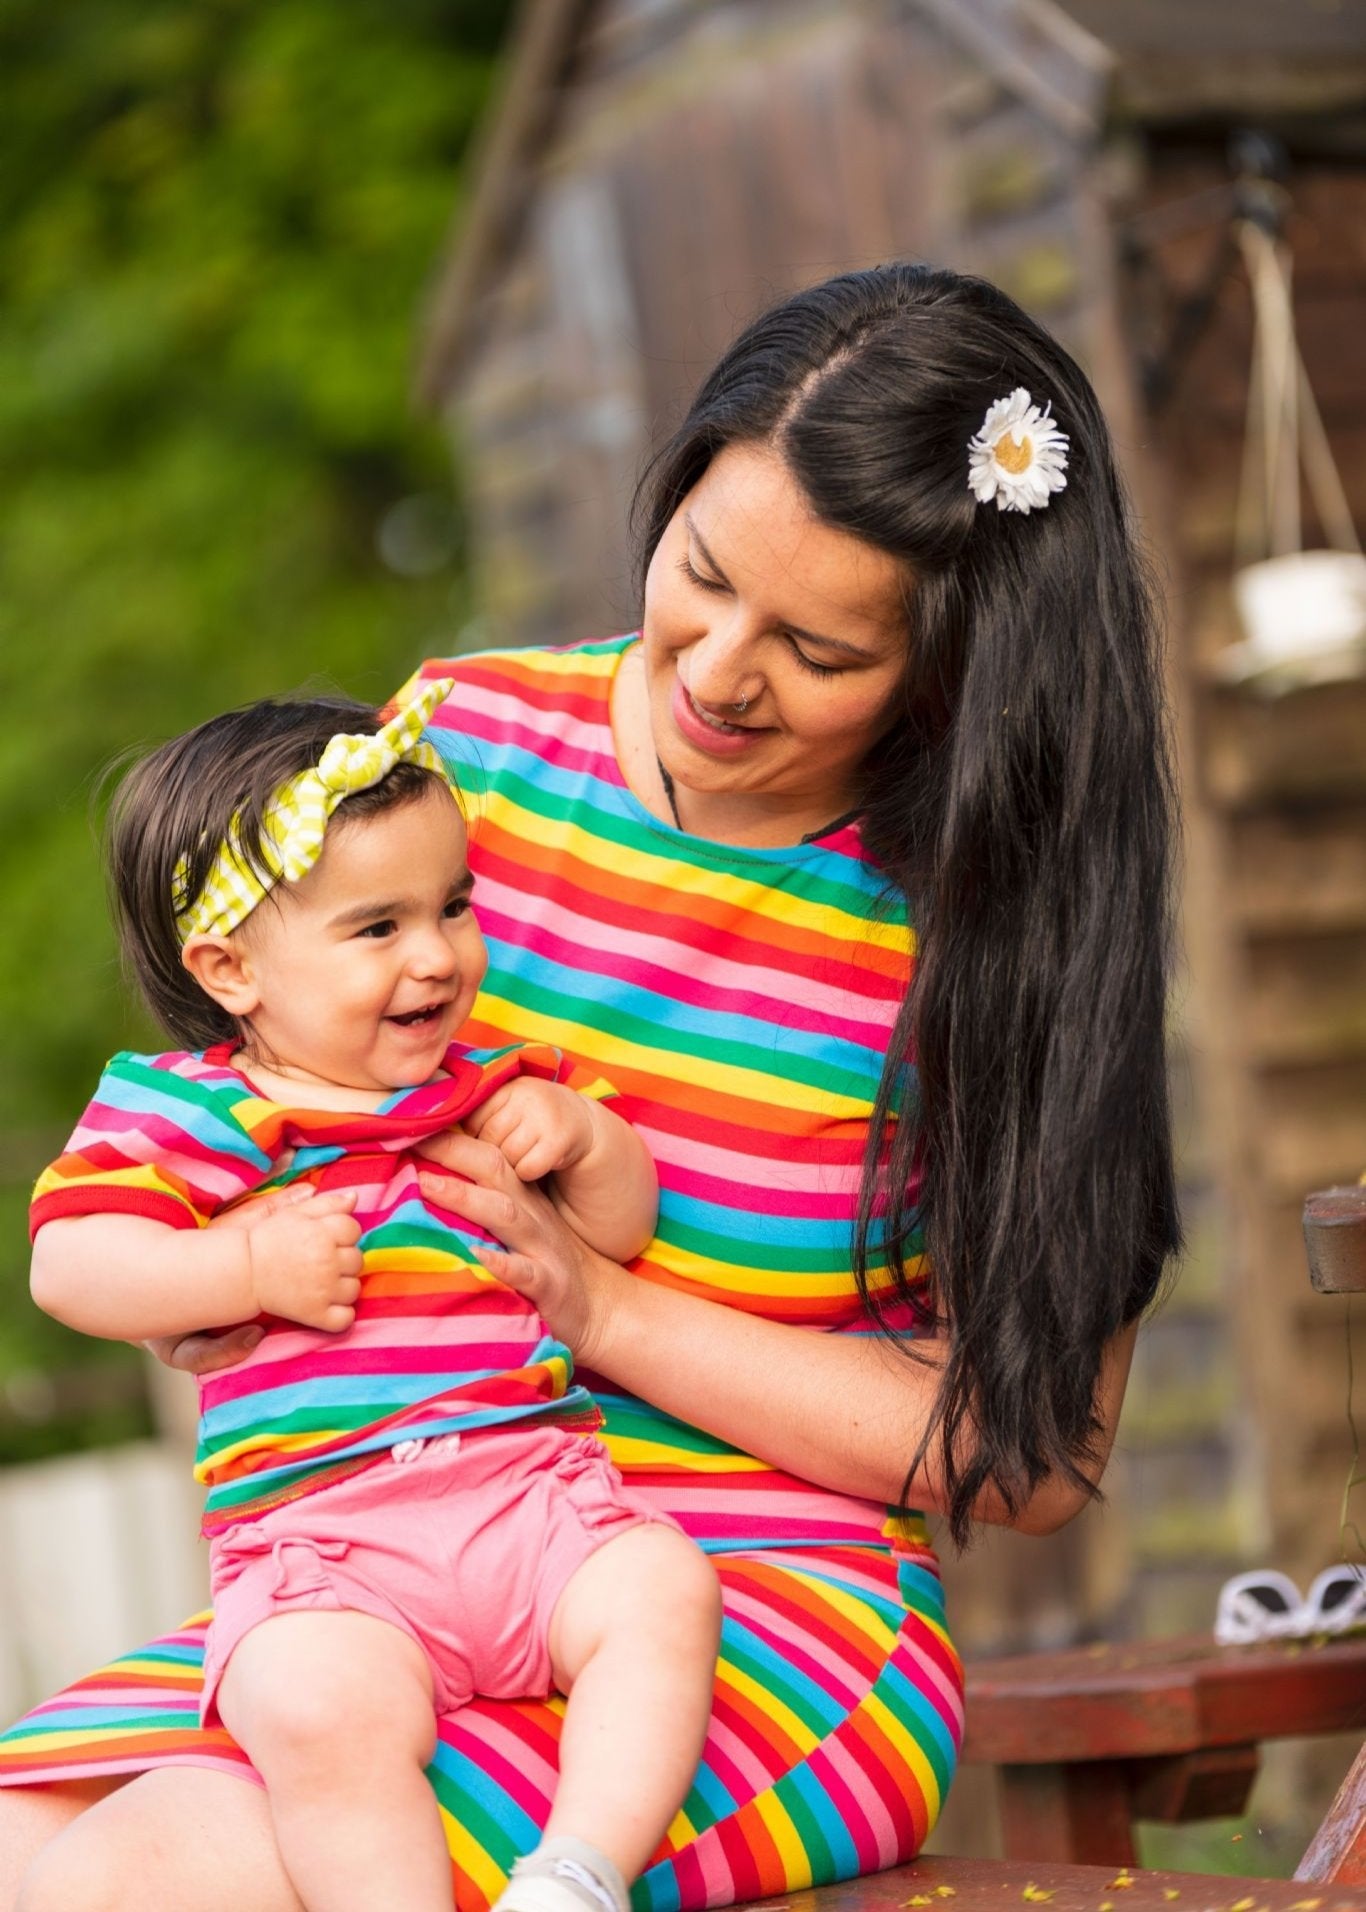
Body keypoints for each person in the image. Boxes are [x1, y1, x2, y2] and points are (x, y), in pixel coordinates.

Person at [0, 262, 1180, 1912]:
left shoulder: (997, 935)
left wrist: (604, 1308)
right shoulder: (453, 754)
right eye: (700, 573)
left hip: (737, 1606)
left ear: (955, 667)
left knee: (147, 1876)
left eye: (817, 649)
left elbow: (1030, 1452)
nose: (718, 671)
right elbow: (245, 1089)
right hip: (368, 1560)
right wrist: (218, 1270)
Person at [24, 684, 723, 1912]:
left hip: (529, 1494)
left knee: (665, 1591)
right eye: (378, 926)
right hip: (322, 1544)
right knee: (317, 1710)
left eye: (452, 904)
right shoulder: (196, 1110)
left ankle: (578, 1871)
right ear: (231, 967)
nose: (437, 955)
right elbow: (69, 1265)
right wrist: (240, 1270)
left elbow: (619, 1231)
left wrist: (585, 1140)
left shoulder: (491, 1083)